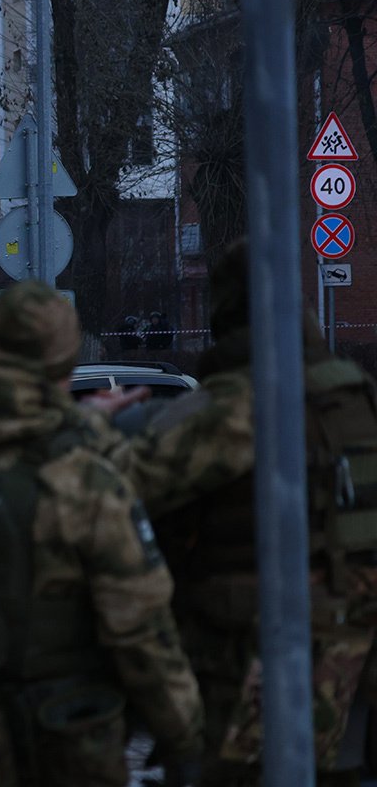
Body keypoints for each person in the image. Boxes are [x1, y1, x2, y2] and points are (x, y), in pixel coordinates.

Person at [0, 281, 203, 786]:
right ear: (65, 362)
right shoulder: (83, 479)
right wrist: (186, 741)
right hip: (49, 747)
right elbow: (142, 634)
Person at [101, 239, 377, 786]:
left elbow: (107, 496)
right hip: (355, 664)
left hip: (253, 672)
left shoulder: (231, 406)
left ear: (223, 311)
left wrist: (91, 430)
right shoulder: (358, 397)